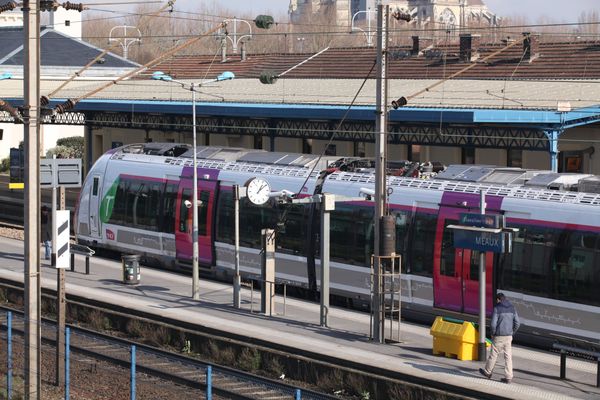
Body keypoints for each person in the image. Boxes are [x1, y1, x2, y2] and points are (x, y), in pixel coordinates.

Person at [479, 293, 521, 384]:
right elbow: (517, 323)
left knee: (494, 354)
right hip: (508, 336)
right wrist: (512, 332)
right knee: (508, 356)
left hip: (499, 336)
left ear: (498, 299)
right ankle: (508, 377)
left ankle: (488, 372)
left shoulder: (497, 308)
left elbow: (493, 324)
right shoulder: (512, 308)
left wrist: (493, 334)